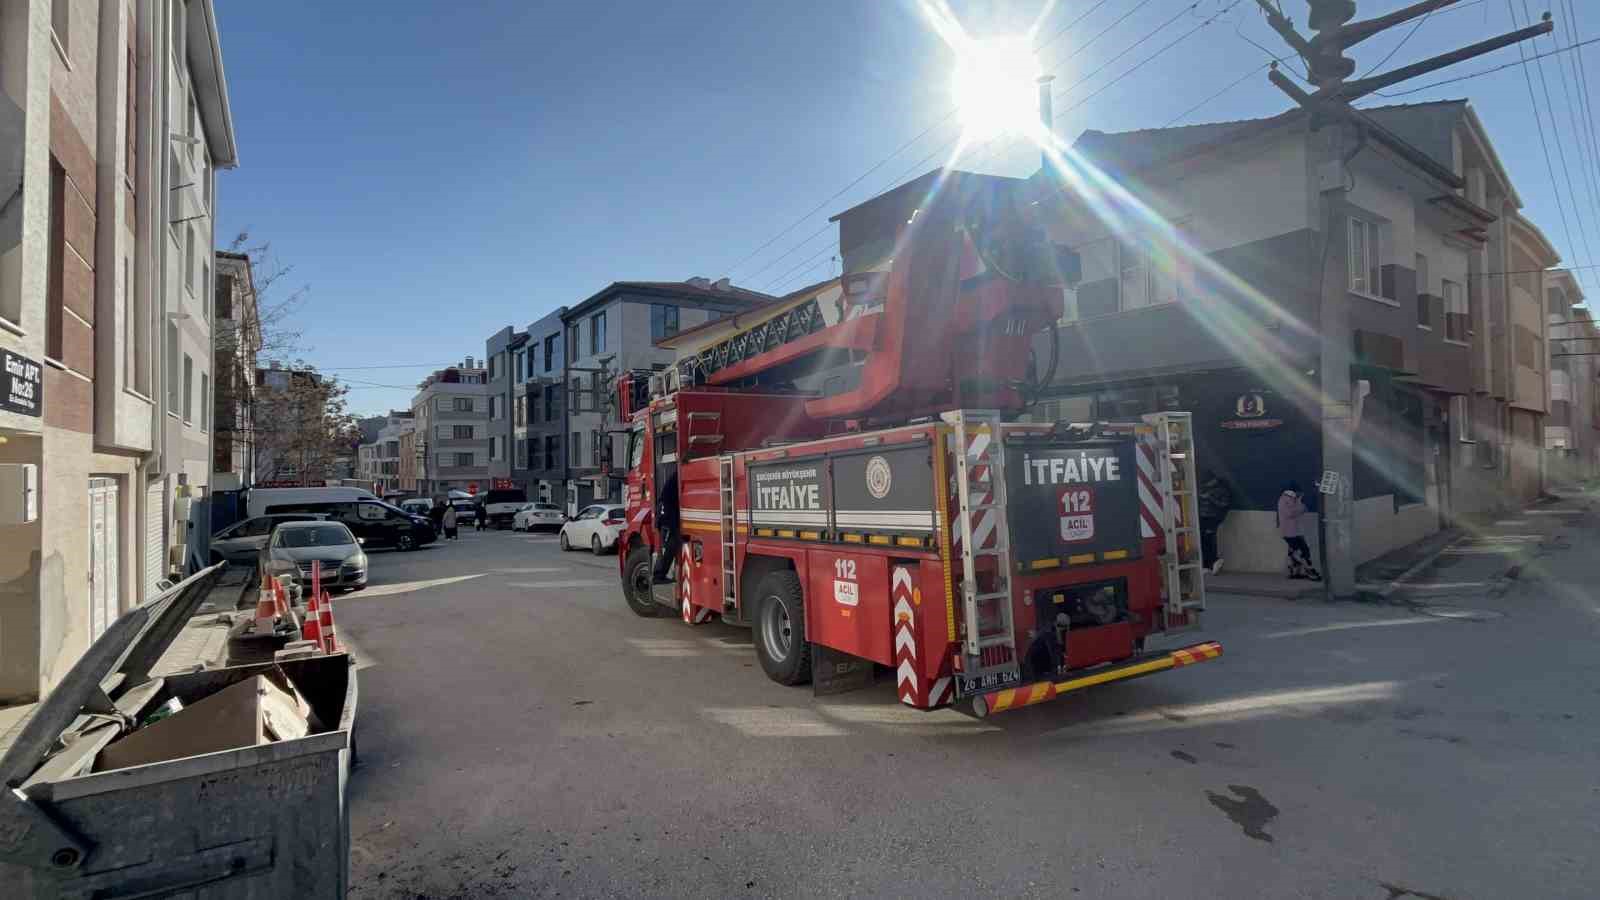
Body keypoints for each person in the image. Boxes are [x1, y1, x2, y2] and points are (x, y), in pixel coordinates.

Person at [1276, 482, 1321, 581]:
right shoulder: (1286, 500)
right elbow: (1291, 513)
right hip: (1289, 532)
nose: (1300, 494)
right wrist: (1301, 505)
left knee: (1294, 551)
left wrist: (1299, 503)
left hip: (1294, 531)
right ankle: (1310, 570)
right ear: (1294, 492)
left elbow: (1297, 510)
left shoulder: (1290, 499)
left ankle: (1294, 571)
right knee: (1303, 551)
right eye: (1299, 492)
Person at [1197, 470, 1232, 575]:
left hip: (1213, 518)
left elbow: (1224, 504)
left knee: (1209, 541)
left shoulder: (1222, 489)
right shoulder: (1205, 488)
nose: (1205, 484)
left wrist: (1210, 498)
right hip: (1203, 518)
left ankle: (1214, 561)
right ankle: (1207, 565)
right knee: (1203, 541)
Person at [652, 468, 681, 583]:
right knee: (671, 543)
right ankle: (659, 576)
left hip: (666, 512)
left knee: (668, 544)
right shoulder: (679, 475)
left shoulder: (676, 475)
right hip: (667, 513)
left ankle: (659, 574)